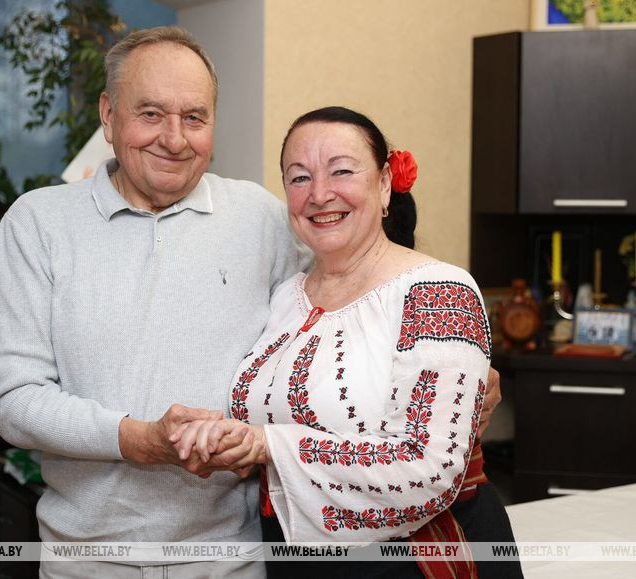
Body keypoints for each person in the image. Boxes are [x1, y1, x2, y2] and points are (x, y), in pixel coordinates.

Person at [0, 25, 503, 576]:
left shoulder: (261, 218)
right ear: (108, 115)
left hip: (237, 556)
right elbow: (16, 400)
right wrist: (134, 439)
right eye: (150, 114)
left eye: (194, 117)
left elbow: (358, 300)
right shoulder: (38, 224)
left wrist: (454, 374)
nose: (174, 139)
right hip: (87, 557)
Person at [171, 107, 522, 578]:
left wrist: (267, 445)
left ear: (384, 184)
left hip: (414, 560)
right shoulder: (285, 298)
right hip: (292, 555)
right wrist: (230, 443)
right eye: (299, 178)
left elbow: (429, 467)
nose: (319, 194)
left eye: (341, 171)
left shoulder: (440, 291)